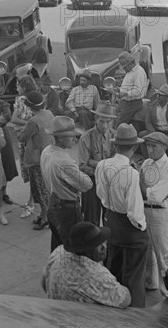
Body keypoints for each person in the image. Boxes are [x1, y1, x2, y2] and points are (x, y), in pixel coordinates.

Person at [96, 124, 150, 308]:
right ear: (134, 148)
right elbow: (134, 211)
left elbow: (101, 194)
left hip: (110, 220)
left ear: (115, 146)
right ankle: (135, 312)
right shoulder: (132, 174)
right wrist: (142, 227)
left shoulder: (101, 165)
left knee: (114, 268)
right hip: (129, 226)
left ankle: (113, 305)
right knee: (134, 274)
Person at [41, 222, 131, 308]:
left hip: (55, 310)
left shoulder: (58, 252)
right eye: (98, 245)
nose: (104, 247)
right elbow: (125, 300)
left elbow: (44, 283)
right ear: (85, 250)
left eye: (103, 242)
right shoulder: (96, 274)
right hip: (79, 319)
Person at [40, 116, 93, 251]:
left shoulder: (47, 151)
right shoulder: (63, 160)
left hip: (53, 203)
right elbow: (87, 184)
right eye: (71, 136)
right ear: (60, 138)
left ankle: (55, 269)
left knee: (57, 244)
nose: (75, 139)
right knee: (72, 248)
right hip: (67, 209)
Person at [140, 132, 168, 297]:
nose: (150, 149)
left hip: (159, 214)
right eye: (148, 146)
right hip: (143, 211)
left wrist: (140, 183)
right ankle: (151, 283)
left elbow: (155, 195)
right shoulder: (146, 163)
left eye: (154, 146)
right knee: (148, 252)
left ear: (163, 147)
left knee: (165, 255)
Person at [17, 91, 54, 230]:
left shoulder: (33, 121)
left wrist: (19, 132)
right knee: (45, 189)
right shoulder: (49, 114)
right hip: (48, 155)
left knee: (40, 190)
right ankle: (44, 215)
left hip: (36, 159)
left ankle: (45, 218)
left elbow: (22, 137)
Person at [78, 102, 117, 226]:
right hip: (91, 182)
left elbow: (117, 161)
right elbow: (83, 166)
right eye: (102, 121)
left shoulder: (116, 136)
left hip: (110, 183)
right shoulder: (85, 137)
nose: (105, 125)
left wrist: (94, 162)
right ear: (96, 119)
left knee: (111, 219)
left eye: (108, 121)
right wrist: (105, 167)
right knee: (91, 220)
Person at [10, 75, 38, 216]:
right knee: (32, 170)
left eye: (18, 85)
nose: (17, 88)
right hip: (28, 139)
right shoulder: (23, 100)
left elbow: (15, 119)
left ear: (24, 86)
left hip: (30, 140)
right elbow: (14, 119)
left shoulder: (26, 100)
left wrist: (27, 125)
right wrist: (30, 124)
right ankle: (34, 199)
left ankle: (31, 202)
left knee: (33, 170)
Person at [140, 84, 168, 162]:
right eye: (158, 94)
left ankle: (167, 160)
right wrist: (154, 133)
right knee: (142, 135)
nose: (158, 97)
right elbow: (148, 122)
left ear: (167, 97)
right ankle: (147, 159)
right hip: (156, 130)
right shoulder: (152, 106)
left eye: (161, 95)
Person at [109, 51, 148, 128]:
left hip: (133, 103)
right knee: (112, 115)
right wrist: (119, 89)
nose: (124, 69)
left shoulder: (138, 72)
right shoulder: (130, 71)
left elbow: (138, 91)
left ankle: (116, 136)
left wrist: (126, 93)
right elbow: (128, 86)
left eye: (125, 67)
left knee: (119, 124)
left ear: (131, 63)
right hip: (126, 101)